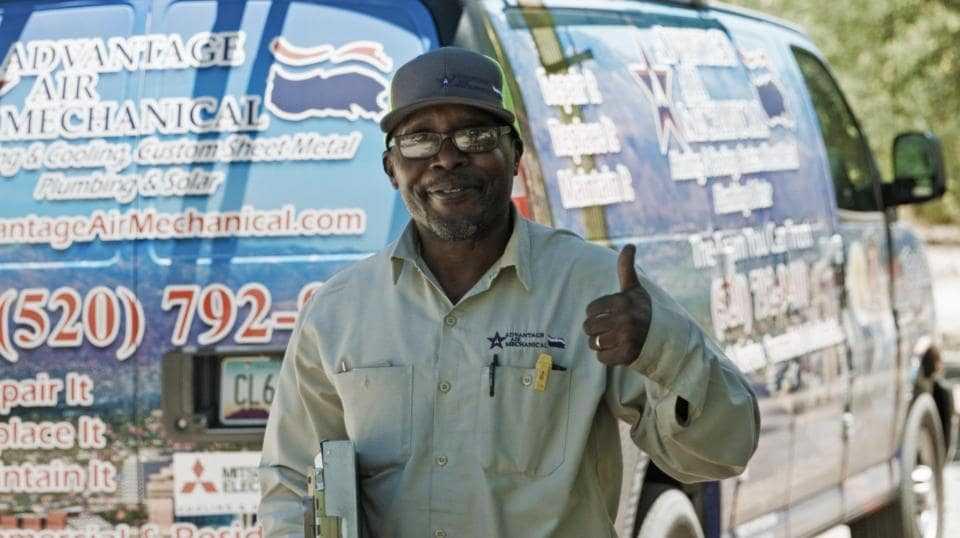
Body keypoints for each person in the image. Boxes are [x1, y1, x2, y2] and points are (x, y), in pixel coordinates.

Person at [258, 46, 759, 538]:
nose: (447, 158)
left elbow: (722, 451)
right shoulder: (338, 312)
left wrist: (663, 349)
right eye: (419, 140)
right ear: (392, 169)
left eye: (474, 136)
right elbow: (292, 482)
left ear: (514, 154)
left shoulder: (595, 287)